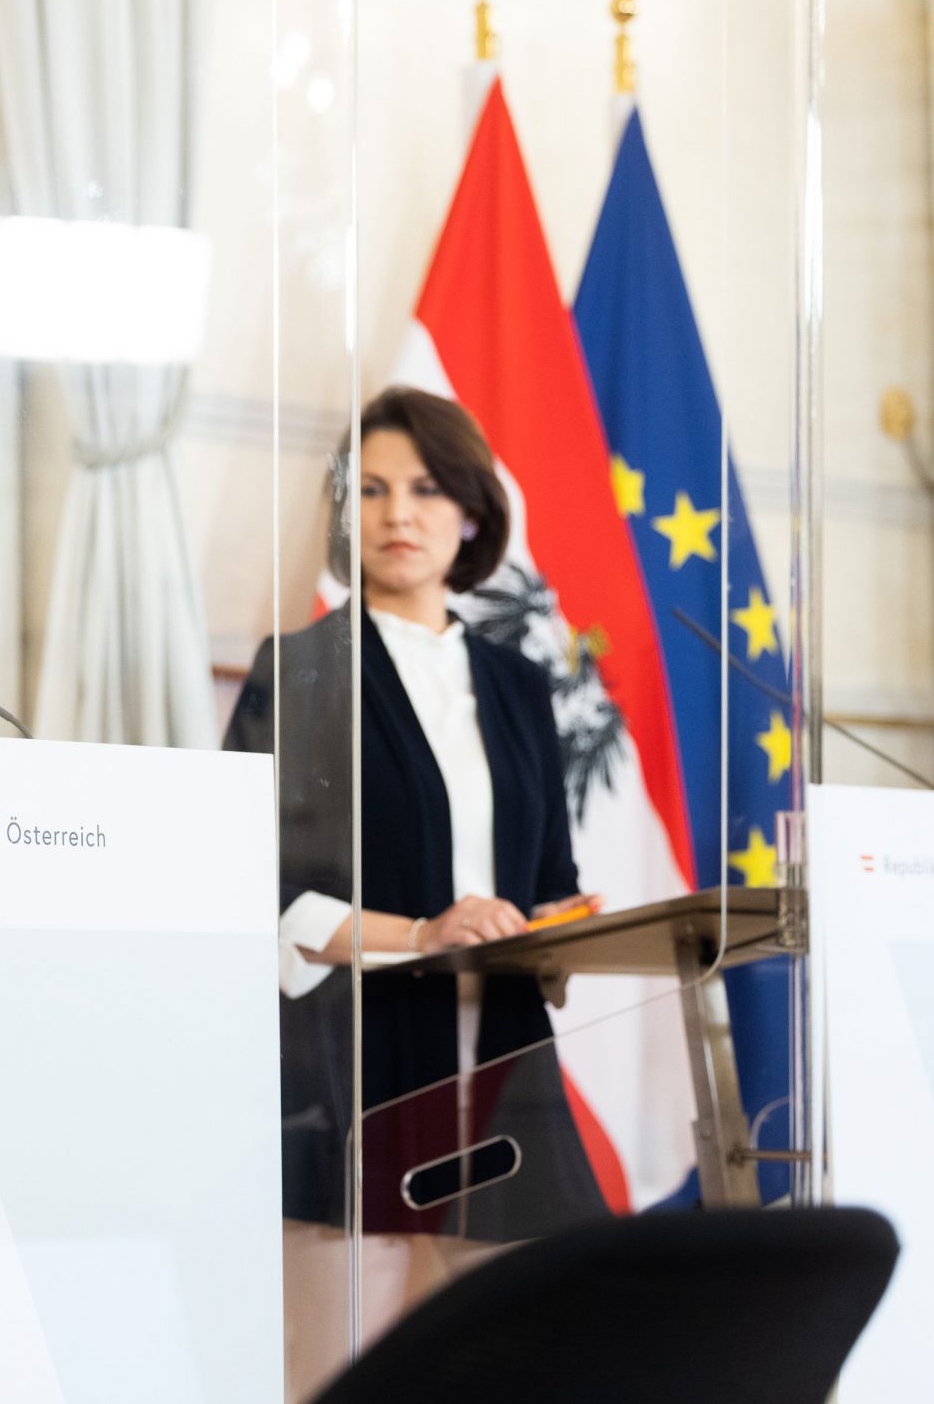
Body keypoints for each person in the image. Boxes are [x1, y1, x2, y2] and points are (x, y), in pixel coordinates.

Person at [224, 386, 607, 1399]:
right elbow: (254, 887)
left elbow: (549, 882)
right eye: (372, 489)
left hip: (507, 1067)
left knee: (527, 1370)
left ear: (471, 513)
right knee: (345, 1378)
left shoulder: (519, 685)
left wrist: (560, 926)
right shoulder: (298, 670)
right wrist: (425, 931)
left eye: (427, 489)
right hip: (358, 1069)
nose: (398, 512)